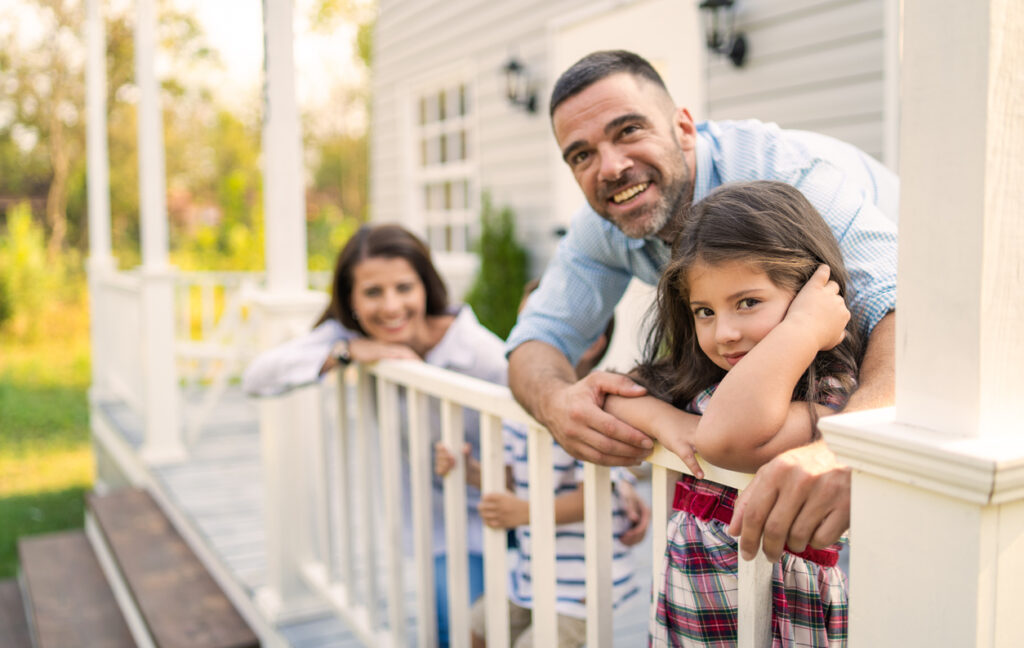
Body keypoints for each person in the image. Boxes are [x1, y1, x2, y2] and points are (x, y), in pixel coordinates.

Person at [505, 49, 897, 560]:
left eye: (628, 131)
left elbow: (905, 316)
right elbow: (536, 340)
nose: (612, 167)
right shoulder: (602, 223)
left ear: (683, 128)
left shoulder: (788, 176)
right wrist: (556, 404)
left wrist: (848, 452)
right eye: (581, 155)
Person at [605, 181, 859, 645]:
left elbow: (724, 437)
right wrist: (670, 422)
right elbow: (612, 394)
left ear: (809, 293)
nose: (724, 333)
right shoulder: (703, 382)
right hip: (690, 612)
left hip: (778, 616)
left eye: (747, 303)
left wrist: (803, 327)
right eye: (704, 311)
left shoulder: (829, 394)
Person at [242, 224, 507, 648]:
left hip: (508, 513)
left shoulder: (478, 351)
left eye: (404, 287)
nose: (391, 307)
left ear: (426, 286)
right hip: (440, 523)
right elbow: (257, 378)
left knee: (477, 629)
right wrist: (347, 352)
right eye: (372, 293)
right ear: (350, 299)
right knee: (447, 625)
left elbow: (539, 423)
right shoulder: (352, 338)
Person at [438, 280, 648, 647]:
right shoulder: (521, 407)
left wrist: (524, 512)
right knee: (474, 628)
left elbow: (594, 497)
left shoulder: (597, 408)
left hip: (582, 586)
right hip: (532, 574)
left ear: (594, 339)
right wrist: (468, 470)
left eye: (541, 324)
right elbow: (512, 474)